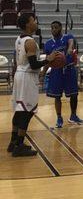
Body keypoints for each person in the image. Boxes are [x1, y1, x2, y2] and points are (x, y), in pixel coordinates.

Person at [8, 13, 59, 157]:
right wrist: (48, 60)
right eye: (33, 20)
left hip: (20, 74)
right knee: (27, 111)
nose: (36, 22)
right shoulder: (30, 42)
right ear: (27, 24)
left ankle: (13, 143)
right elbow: (34, 64)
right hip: (27, 77)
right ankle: (19, 145)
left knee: (20, 110)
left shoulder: (19, 39)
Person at [43, 21, 83, 128]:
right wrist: (43, 72)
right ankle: (59, 117)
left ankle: (73, 116)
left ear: (61, 28)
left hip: (69, 68)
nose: (54, 30)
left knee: (74, 94)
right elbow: (48, 60)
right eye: (52, 28)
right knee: (57, 96)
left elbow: (71, 42)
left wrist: (70, 48)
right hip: (56, 70)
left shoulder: (68, 37)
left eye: (56, 27)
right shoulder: (48, 43)